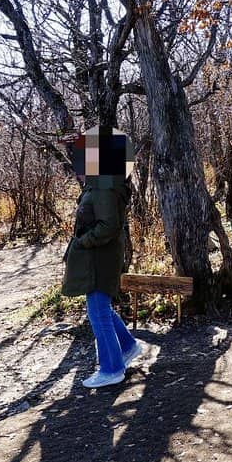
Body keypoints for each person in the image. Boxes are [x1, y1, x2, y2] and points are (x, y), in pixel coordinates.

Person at [61, 131, 140, 389]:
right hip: (97, 257)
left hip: (100, 257)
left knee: (97, 312)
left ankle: (112, 369)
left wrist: (83, 241)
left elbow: (109, 225)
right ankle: (127, 347)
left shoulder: (104, 185)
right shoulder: (99, 182)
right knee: (100, 308)